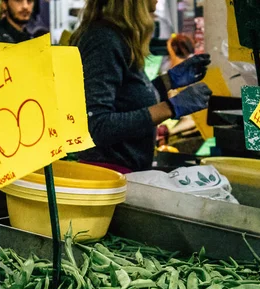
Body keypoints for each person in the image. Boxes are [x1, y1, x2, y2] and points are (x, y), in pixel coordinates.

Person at [71, 0, 212, 173]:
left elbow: (126, 100)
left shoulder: (119, 36)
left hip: (125, 173)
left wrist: (168, 81)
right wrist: (169, 108)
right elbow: (97, 125)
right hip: (108, 178)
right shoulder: (103, 40)